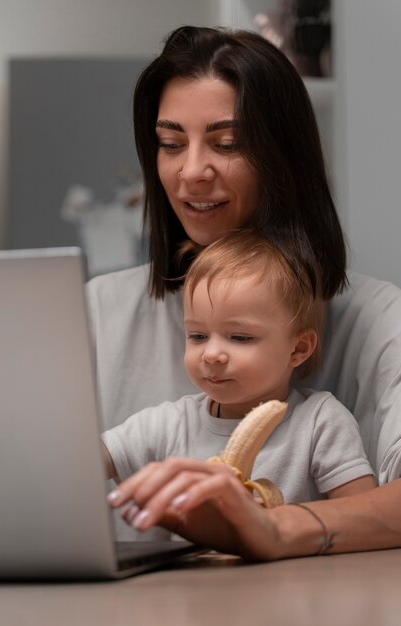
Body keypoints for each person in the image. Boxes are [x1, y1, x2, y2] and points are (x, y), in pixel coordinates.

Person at [86, 25, 401, 557]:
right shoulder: (98, 310)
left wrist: (272, 529)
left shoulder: (377, 319)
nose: (191, 172)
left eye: (226, 144)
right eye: (170, 144)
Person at [102, 231, 375, 516]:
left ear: (298, 349)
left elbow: (364, 515)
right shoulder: (170, 425)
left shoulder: (320, 423)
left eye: (240, 337)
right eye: (197, 335)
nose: (211, 354)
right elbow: (86, 459)